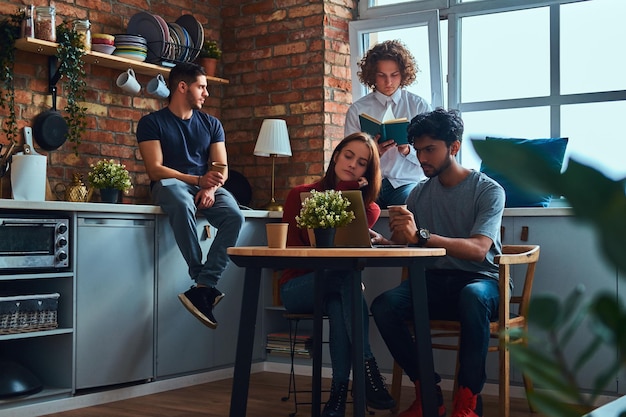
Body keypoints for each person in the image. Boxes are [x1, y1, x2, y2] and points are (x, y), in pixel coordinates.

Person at [369, 108, 506, 417]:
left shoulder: (488, 190)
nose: (421, 158)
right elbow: (414, 244)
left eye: (430, 149)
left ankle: (468, 402)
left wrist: (421, 235)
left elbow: (478, 249)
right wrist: (387, 242)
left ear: (453, 147)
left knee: (472, 297)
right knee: (383, 306)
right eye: (418, 150)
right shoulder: (419, 193)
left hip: (481, 282)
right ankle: (428, 395)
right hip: (434, 282)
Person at [279, 132, 395, 417]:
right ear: (335, 156)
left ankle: (337, 400)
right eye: (348, 156)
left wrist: (348, 190)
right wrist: (345, 187)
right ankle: (369, 372)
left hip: (335, 288)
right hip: (298, 287)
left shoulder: (369, 209)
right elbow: (293, 252)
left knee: (340, 288)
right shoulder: (299, 196)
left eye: (362, 162)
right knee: (345, 277)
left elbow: (343, 250)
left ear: (369, 171)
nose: (354, 164)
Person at [136, 62, 244, 330]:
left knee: (234, 216)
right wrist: (197, 180)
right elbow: (155, 169)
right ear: (182, 87)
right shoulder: (151, 123)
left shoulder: (212, 124)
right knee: (181, 200)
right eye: (202, 87)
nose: (206, 93)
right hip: (171, 185)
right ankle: (200, 277)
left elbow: (222, 168)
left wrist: (209, 188)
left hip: (206, 185)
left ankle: (204, 285)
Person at [345, 39, 432, 208]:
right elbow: (348, 158)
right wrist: (373, 153)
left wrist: (407, 150)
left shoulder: (419, 106)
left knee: (410, 205)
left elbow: (430, 154)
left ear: (403, 74)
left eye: (394, 75)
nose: (388, 82)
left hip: (407, 183)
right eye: (381, 75)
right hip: (370, 184)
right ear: (372, 75)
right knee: (350, 208)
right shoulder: (357, 110)